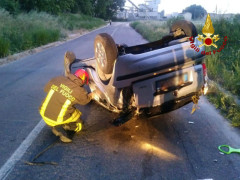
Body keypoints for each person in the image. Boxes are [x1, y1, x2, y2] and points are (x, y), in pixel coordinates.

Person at [39, 65, 94, 143]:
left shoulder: (58, 79)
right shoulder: (79, 91)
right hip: (55, 119)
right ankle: (68, 130)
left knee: (62, 104)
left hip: (43, 113)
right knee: (77, 114)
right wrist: (92, 95)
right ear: (83, 81)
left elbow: (46, 89)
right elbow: (85, 101)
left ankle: (54, 124)